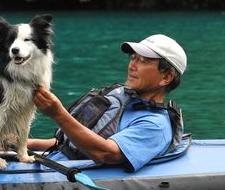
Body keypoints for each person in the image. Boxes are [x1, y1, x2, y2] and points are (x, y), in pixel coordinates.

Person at [27, 34, 187, 172]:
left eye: (143, 61)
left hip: (69, 175)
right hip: (55, 161)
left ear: (166, 77)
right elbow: (71, 143)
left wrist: (58, 114)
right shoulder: (121, 98)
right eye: (133, 58)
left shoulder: (155, 126)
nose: (132, 66)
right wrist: (25, 143)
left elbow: (106, 154)